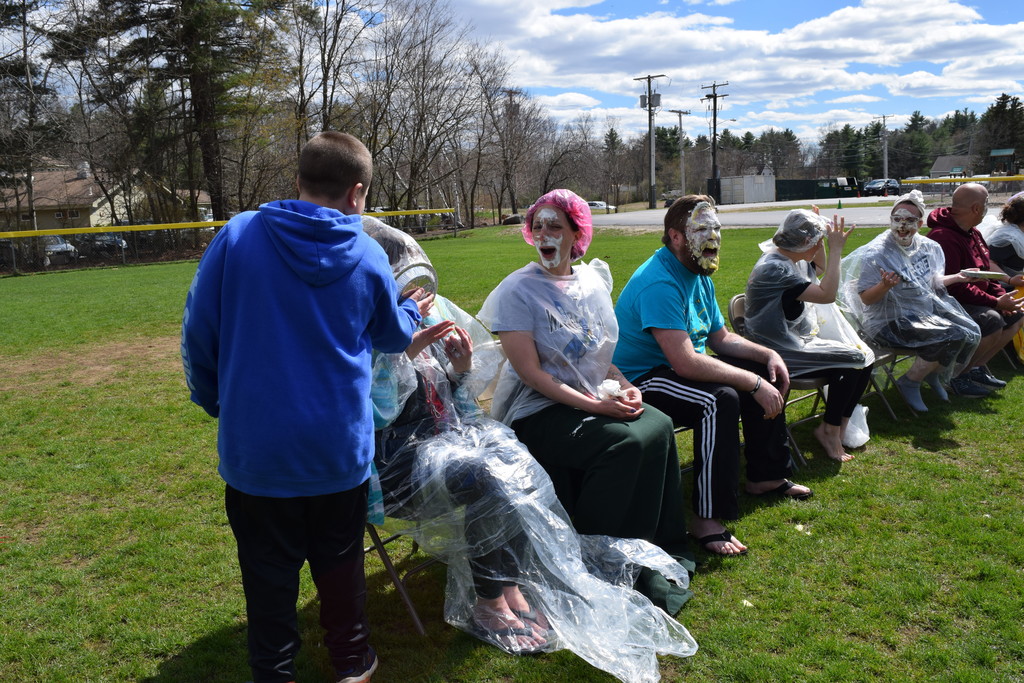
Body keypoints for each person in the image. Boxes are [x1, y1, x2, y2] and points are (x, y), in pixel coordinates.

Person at [365, 218, 698, 681]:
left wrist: (459, 367)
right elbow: (374, 415)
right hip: (390, 462)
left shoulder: (424, 312)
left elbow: (459, 405)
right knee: (480, 473)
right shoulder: (364, 331)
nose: (414, 298)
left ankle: (510, 581)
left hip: (441, 440)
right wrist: (402, 349)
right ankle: (489, 599)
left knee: (510, 455)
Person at [181, 132, 423, 683]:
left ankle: (275, 669)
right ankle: (351, 663)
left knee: (267, 573)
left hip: (257, 449)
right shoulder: (367, 252)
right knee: (340, 565)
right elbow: (390, 335)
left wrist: (214, 398)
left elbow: (199, 331)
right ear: (357, 194)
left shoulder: (237, 236)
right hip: (337, 450)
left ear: (297, 182)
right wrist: (410, 314)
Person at [477, 189, 696, 608]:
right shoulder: (517, 292)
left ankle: (655, 545)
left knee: (660, 424)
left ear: (577, 233)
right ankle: (596, 562)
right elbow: (532, 375)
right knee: (626, 442)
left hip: (592, 396)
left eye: (555, 226)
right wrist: (599, 407)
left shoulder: (590, 283)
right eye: (537, 226)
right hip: (538, 411)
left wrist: (625, 385)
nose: (544, 234)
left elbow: (601, 358)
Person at [612, 195, 812, 558]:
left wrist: (767, 355)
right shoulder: (659, 281)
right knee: (718, 399)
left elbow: (720, 337)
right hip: (640, 379)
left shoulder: (699, 270)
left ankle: (765, 475)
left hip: (676, 367)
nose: (713, 236)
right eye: (702, 228)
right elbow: (686, 363)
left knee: (761, 370)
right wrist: (753, 383)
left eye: (716, 227)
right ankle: (706, 518)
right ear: (675, 236)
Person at [744, 208, 874, 461]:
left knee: (862, 358)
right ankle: (831, 430)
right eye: (817, 242)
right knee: (855, 360)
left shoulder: (790, 258)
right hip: (777, 352)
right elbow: (826, 294)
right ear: (804, 242)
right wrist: (836, 248)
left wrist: (819, 233)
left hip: (795, 341)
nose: (820, 246)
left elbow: (821, 267)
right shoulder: (775, 269)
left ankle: (836, 428)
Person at [840, 190, 982, 412]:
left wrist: (958, 277)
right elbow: (866, 299)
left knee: (968, 331)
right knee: (949, 335)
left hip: (921, 315)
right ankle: (910, 381)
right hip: (887, 321)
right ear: (890, 221)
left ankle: (932, 374)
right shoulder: (877, 253)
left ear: (920, 222)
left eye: (909, 220)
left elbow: (931, 282)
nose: (902, 226)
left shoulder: (928, 247)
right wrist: (884, 286)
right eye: (897, 219)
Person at [925, 182, 1024, 395]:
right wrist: (996, 302)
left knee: (1016, 315)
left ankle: (974, 368)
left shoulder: (973, 232)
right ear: (976, 208)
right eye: (986, 202)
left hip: (971, 299)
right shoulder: (943, 237)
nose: (990, 207)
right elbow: (954, 288)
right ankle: (954, 377)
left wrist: (1000, 296)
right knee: (992, 320)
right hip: (946, 303)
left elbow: (986, 272)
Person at [980, 191, 1024, 277]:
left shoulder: (1019, 232)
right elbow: (987, 262)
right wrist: (1008, 280)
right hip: (1005, 285)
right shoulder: (1008, 238)